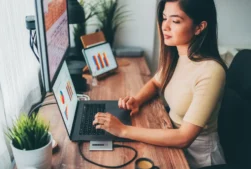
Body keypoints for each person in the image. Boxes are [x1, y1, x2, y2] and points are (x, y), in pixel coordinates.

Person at [93, 0, 227, 168]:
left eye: (176, 21)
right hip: (172, 142)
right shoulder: (178, 54)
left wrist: (123, 130)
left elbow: (184, 137)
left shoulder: (211, 71)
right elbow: (156, 82)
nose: (165, 26)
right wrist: (137, 100)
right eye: (164, 18)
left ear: (200, 27)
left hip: (198, 160)